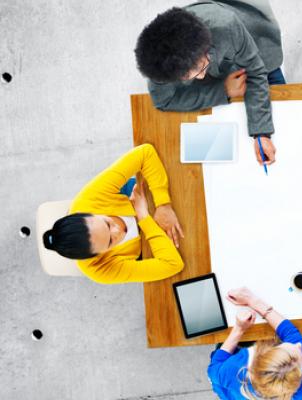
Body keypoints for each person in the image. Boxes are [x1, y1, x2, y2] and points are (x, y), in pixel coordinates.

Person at [135, 0, 284, 166]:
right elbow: (164, 100)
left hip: (255, 42)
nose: (199, 77)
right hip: (219, 69)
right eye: (187, 76)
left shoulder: (225, 25)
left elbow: (256, 72)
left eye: (199, 68)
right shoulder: (159, 65)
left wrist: (262, 134)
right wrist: (223, 91)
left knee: (283, 118)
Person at [42, 144, 184, 283]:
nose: (119, 230)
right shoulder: (98, 270)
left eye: (107, 223)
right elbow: (172, 264)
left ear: (92, 213)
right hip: (147, 241)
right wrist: (143, 217)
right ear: (96, 256)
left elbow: (145, 153)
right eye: (110, 241)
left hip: (141, 197)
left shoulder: (89, 199)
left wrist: (163, 204)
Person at [208, 287, 302, 400]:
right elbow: (293, 337)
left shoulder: (233, 369)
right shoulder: (299, 390)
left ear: (264, 354)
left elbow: (214, 367)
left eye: (282, 347)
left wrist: (239, 328)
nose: (299, 345)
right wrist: (254, 302)